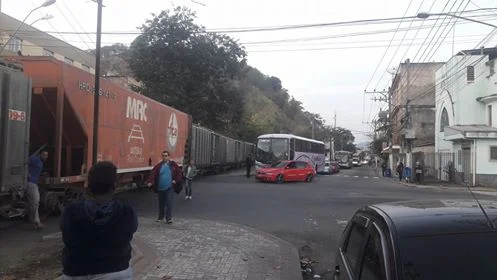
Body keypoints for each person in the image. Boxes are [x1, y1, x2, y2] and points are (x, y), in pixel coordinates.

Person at [60, 161, 138, 279]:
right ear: (114, 185)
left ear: (89, 185)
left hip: (76, 271)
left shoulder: (71, 211)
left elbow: (66, 236)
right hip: (116, 270)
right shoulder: (127, 212)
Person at [147, 150, 182, 224]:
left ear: (169, 157)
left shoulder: (173, 165)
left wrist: (176, 180)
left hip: (170, 187)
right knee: (161, 203)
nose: (164, 157)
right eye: (163, 156)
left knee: (169, 202)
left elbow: (179, 173)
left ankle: (168, 218)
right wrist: (150, 182)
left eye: (166, 156)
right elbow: (153, 174)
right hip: (160, 188)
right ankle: (160, 217)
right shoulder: (158, 166)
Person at [27, 150, 48, 230]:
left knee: (34, 202)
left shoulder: (41, 162)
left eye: (46, 155)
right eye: (44, 155)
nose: (46, 157)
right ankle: (36, 222)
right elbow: (25, 162)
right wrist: (27, 173)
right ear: (40, 154)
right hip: (31, 183)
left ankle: (35, 222)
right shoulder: (35, 159)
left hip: (34, 183)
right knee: (35, 201)